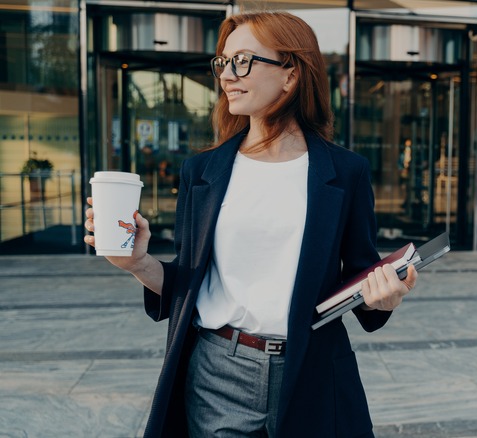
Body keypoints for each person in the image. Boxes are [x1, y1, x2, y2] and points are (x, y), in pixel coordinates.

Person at [84, 11, 418, 438]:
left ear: (290, 75)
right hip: (218, 374)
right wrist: (136, 262)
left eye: (243, 61)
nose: (226, 75)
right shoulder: (202, 171)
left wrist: (383, 298)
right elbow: (188, 282)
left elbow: (360, 278)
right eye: (223, 62)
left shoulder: (345, 171)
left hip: (310, 370)